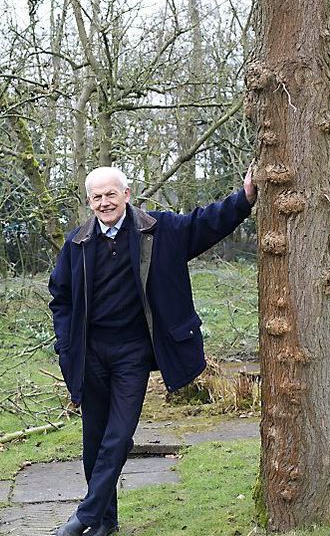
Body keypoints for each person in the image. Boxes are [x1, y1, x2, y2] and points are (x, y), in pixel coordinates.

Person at [48, 166, 257, 536]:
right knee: (94, 439)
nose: (104, 202)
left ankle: (84, 516)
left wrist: (245, 199)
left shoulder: (159, 230)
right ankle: (105, 522)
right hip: (90, 353)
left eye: (111, 194)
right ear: (89, 202)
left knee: (119, 434)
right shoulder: (77, 243)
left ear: (127, 194)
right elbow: (60, 298)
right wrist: (66, 345)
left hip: (133, 353)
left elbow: (204, 223)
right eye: (96, 197)